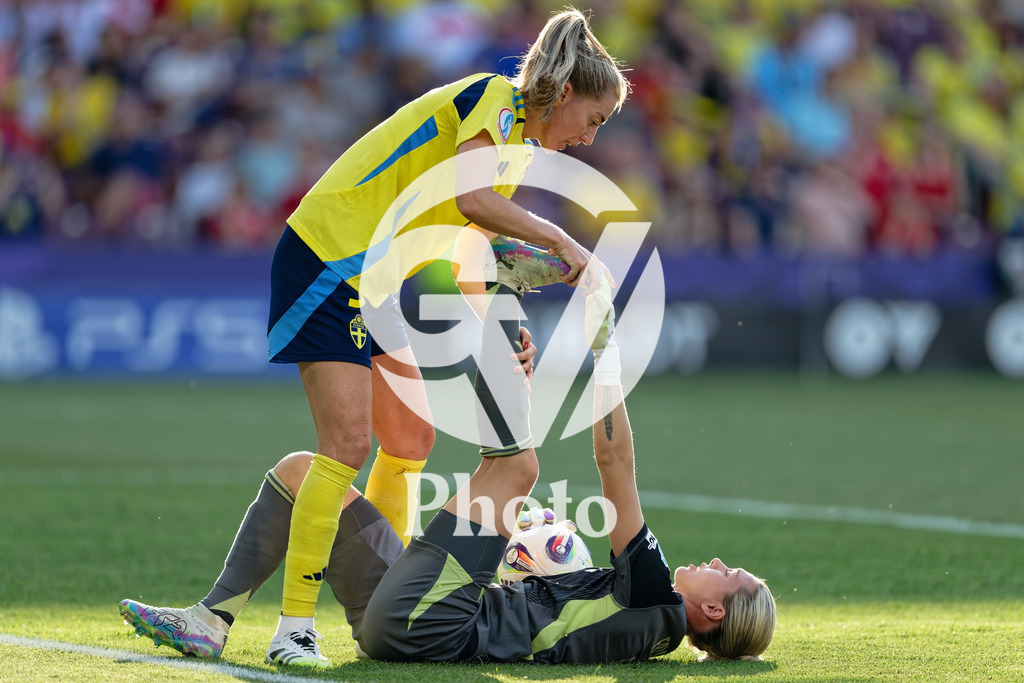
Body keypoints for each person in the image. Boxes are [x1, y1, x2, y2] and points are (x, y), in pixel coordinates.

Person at [120, 281, 776, 665]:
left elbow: (615, 462)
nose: (718, 559)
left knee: (518, 464)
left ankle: (499, 315)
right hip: (421, 619)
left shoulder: (659, 596)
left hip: (437, 624)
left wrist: (606, 350)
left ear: (712, 608)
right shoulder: (649, 622)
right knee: (301, 473)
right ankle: (212, 618)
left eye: (728, 570)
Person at [262, 6, 629, 666]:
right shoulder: (495, 98)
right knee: (346, 441)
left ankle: (370, 605)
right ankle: (293, 630)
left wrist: (506, 322)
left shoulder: (510, 154)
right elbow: (470, 200)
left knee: (410, 439)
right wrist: (563, 238)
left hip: (373, 276)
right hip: (332, 252)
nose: (590, 139)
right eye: (594, 120)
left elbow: (465, 260)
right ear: (566, 94)